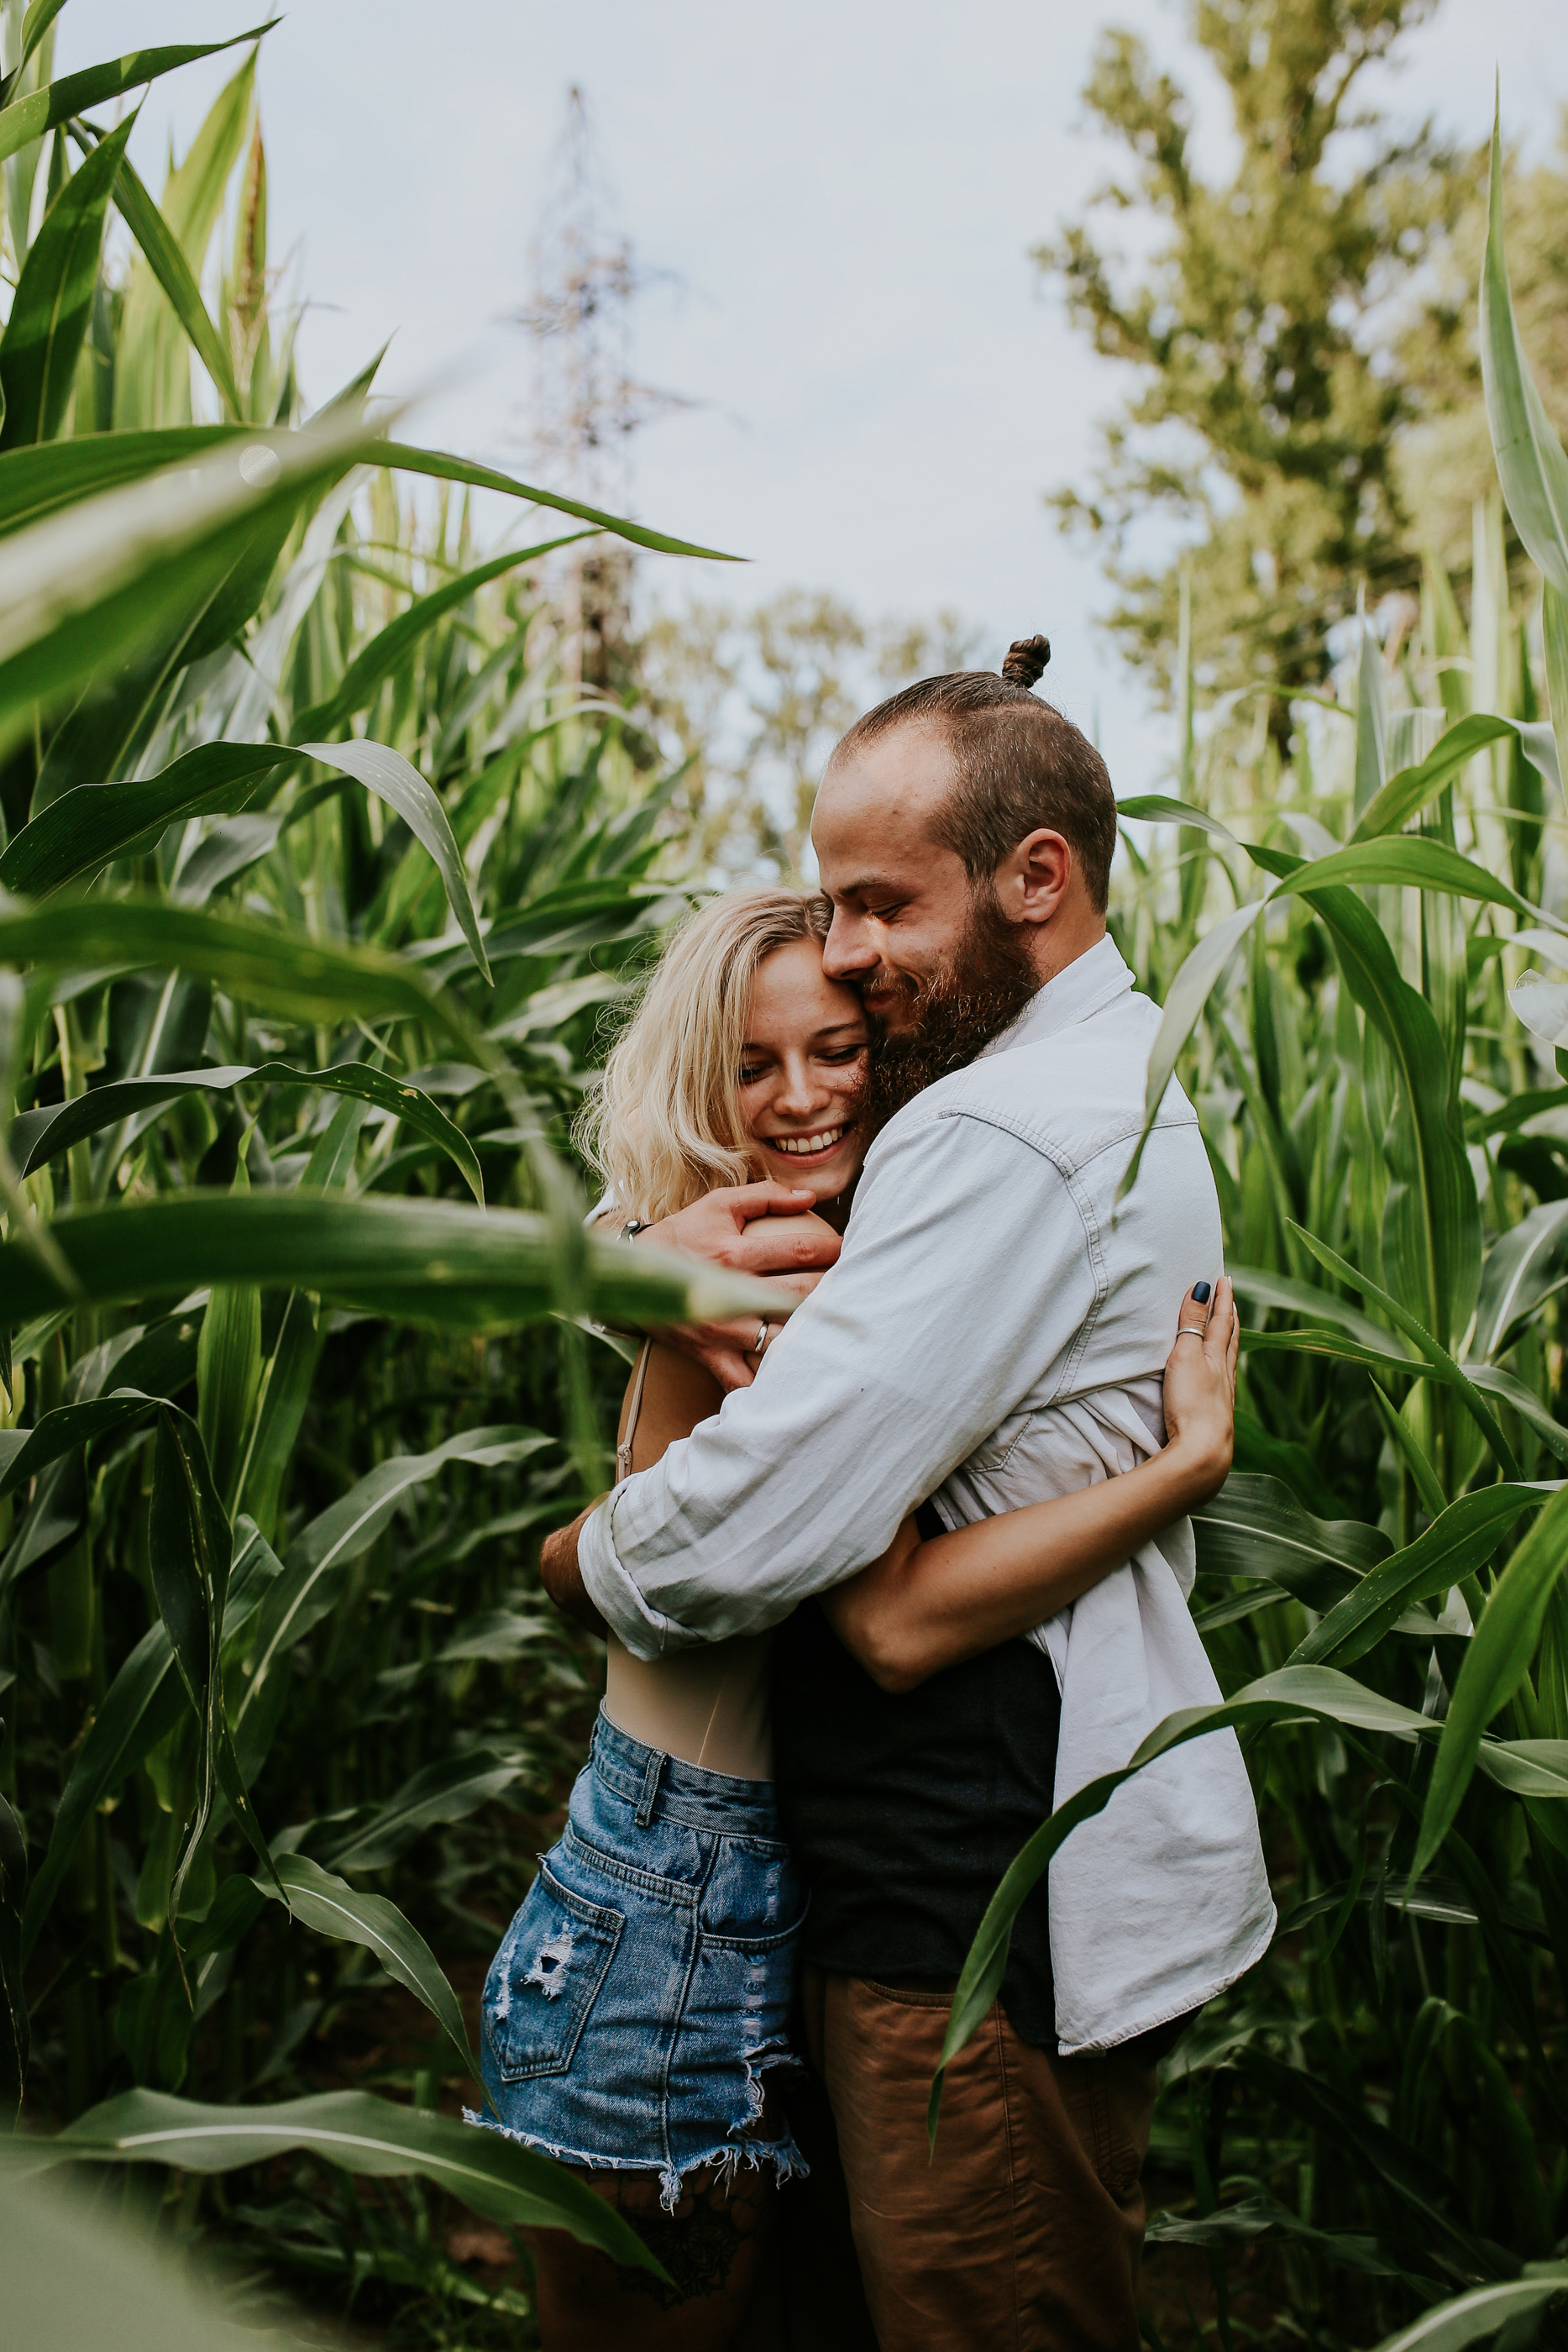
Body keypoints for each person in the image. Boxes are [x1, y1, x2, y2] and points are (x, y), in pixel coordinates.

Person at [555, 638, 1277, 2352]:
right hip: (910, 1882)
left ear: (1038, 876)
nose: (852, 954)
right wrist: (630, 1251)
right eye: (833, 904)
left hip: (966, 1902)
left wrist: (576, 1560)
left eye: (883, 905)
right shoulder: (1091, 1080)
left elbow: (778, 1550)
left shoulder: (991, 1133)